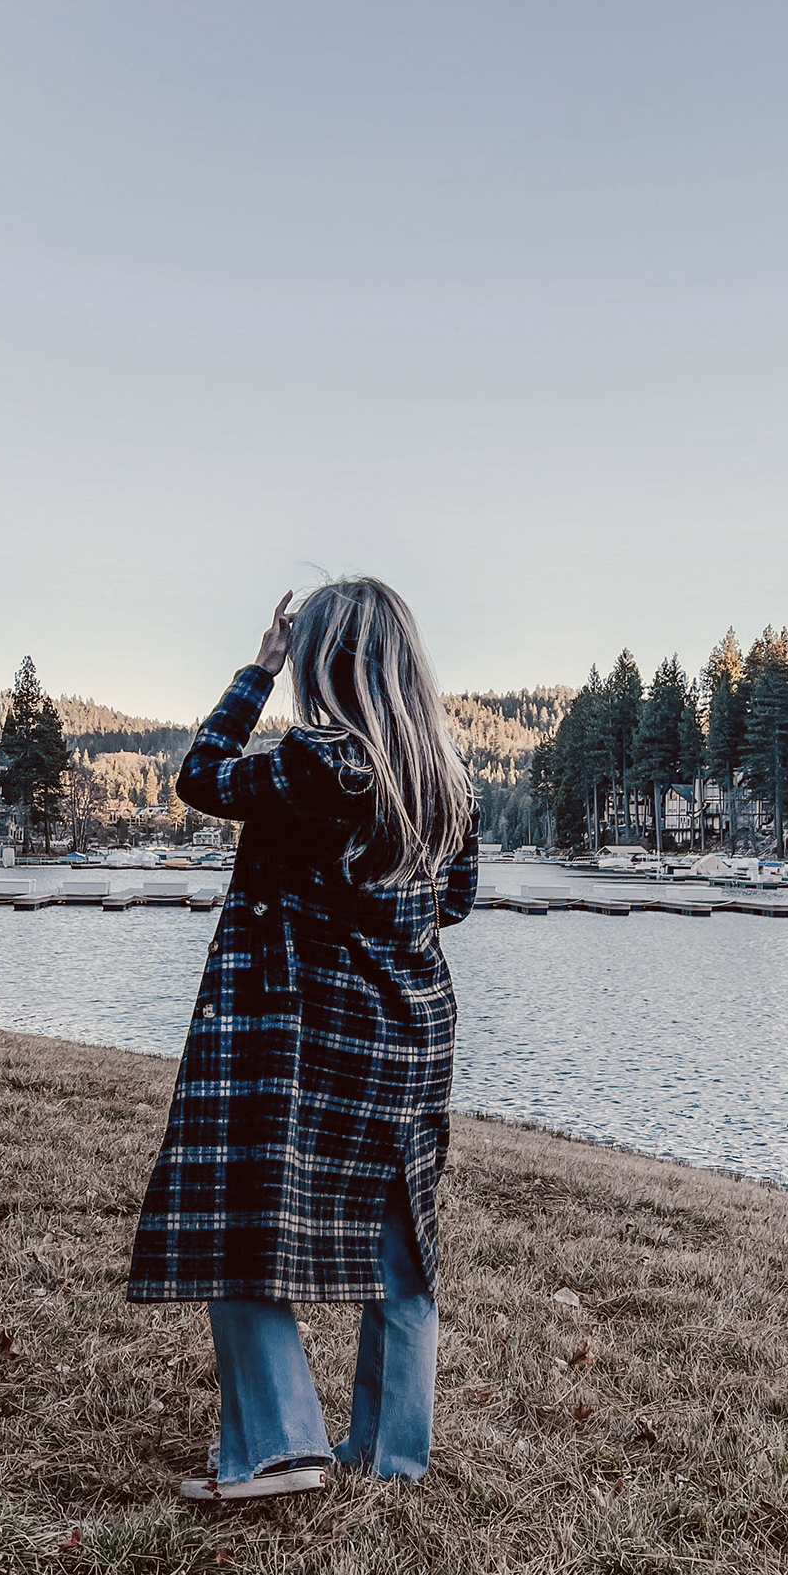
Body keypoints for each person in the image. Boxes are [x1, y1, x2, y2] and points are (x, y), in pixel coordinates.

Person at [126, 578, 478, 1502]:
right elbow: (453, 903)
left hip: (297, 1029)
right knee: (402, 1244)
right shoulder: (448, 779)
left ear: (324, 660)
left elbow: (201, 776)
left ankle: (281, 1445)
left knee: (239, 1207)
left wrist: (257, 668)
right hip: (409, 1038)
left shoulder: (317, 759)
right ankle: (390, 1459)